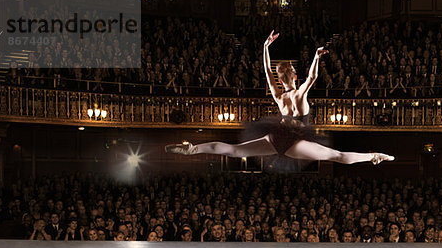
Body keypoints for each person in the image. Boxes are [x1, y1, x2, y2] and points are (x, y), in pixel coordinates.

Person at [165, 31, 394, 167]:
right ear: (295, 75)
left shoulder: (279, 95)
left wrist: (266, 46)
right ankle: (374, 156)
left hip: (275, 138)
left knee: (234, 150)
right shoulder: (299, 93)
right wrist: (315, 57)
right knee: (337, 156)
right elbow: (313, 77)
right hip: (295, 143)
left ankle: (194, 149)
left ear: (280, 77)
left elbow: (266, 68)